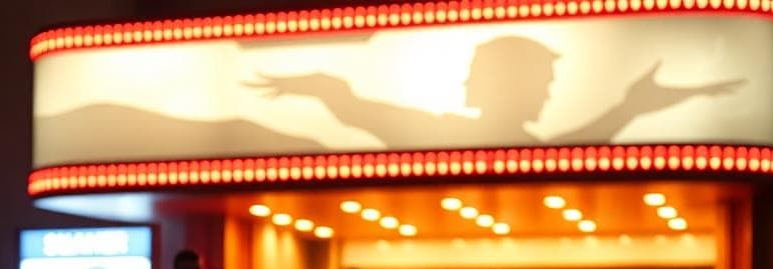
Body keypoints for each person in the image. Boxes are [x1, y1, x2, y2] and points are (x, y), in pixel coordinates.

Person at [251, 36, 744, 149]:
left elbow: (359, 108)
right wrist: (629, 108)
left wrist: (630, 107)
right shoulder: (447, 135)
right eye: (544, 83)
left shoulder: (451, 137)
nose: (548, 95)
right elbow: (361, 110)